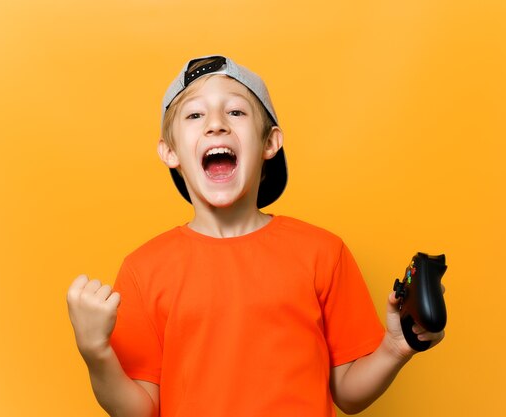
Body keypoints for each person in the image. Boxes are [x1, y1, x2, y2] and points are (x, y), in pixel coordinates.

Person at [67, 55, 445, 417]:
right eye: (195, 114)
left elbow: (348, 393)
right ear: (170, 152)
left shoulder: (323, 252)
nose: (216, 124)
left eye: (235, 111)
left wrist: (395, 347)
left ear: (270, 143)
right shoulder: (142, 270)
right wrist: (95, 352)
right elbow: (138, 410)